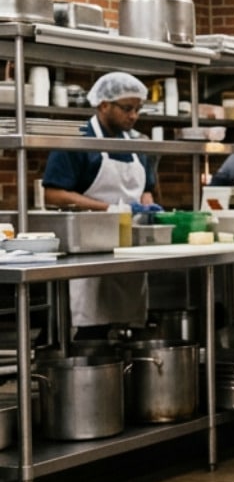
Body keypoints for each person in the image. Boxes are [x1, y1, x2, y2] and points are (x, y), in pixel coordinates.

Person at [41, 71, 162, 337]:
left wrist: (147, 207)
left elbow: (146, 189)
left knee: (129, 327)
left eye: (138, 109)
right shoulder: (77, 140)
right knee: (90, 331)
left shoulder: (135, 143)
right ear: (104, 104)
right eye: (127, 109)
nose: (134, 116)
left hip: (129, 250)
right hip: (88, 251)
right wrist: (109, 209)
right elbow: (53, 194)